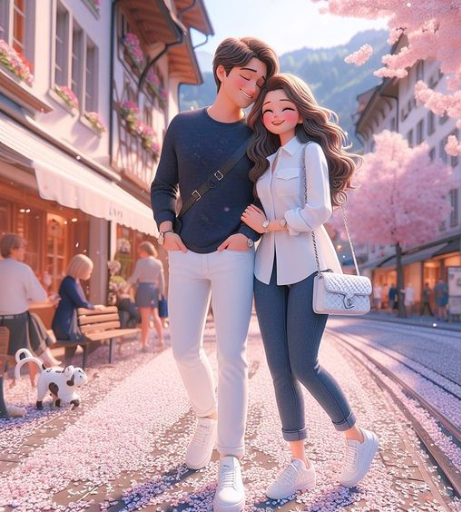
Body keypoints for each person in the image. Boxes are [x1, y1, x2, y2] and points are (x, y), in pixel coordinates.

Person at [150, 37, 279, 511]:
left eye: (260, 81)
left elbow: (268, 193)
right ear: (222, 72)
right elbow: (164, 184)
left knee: (231, 355)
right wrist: (166, 228)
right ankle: (206, 416)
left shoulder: (258, 136)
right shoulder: (183, 126)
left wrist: (248, 235)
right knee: (183, 350)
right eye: (246, 76)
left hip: (233, 255)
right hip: (183, 251)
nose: (252, 87)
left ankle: (232, 460)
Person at [241, 73, 378, 500]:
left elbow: (318, 210)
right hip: (266, 270)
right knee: (280, 370)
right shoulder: (265, 160)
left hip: (306, 266)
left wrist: (272, 224)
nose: (275, 115)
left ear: (299, 111)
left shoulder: (309, 152)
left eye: (284, 107)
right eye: (267, 110)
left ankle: (356, 437)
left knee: (304, 363)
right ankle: (298, 463)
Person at [0, 234, 60, 386]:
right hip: (18, 328)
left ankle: (47, 358)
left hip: (3, 325)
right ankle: (47, 358)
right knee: (31, 318)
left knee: (32, 318)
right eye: (22, 248)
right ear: (13, 249)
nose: (24, 252)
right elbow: (40, 297)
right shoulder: (23, 269)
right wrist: (46, 284)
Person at [51, 254, 105, 361]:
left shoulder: (74, 281)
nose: (90, 273)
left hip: (69, 324)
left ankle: (68, 368)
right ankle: (73, 368)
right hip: (65, 326)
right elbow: (81, 302)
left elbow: (80, 302)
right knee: (87, 342)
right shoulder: (69, 283)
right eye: (89, 270)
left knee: (80, 344)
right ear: (81, 269)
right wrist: (95, 308)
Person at [126, 241, 165, 350]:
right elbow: (162, 281)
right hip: (154, 290)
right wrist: (161, 293)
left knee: (145, 318)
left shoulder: (141, 262)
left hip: (143, 289)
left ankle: (144, 343)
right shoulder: (158, 263)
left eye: (140, 252)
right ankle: (161, 339)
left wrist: (126, 284)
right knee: (156, 316)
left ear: (143, 251)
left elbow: (134, 277)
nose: (139, 254)